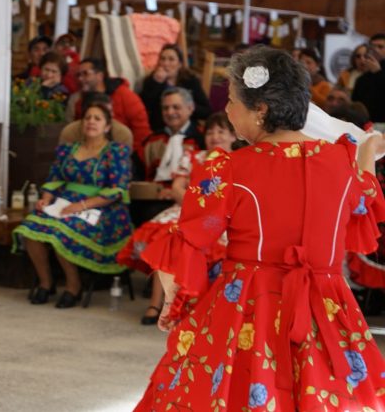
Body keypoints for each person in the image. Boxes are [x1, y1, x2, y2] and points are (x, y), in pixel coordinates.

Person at [134, 46, 385, 410]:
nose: (227, 110)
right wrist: (370, 146)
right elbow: (365, 193)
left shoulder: (231, 169)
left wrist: (174, 304)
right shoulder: (341, 163)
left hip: (248, 306)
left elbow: (187, 241)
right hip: (328, 307)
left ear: (261, 109)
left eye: (233, 101)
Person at [117, 113, 236, 325]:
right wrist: (196, 206)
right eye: (210, 131)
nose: (215, 136)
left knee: (215, 248)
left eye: (221, 131)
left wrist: (209, 209)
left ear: (233, 135)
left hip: (220, 219)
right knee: (167, 240)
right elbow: (177, 187)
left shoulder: (239, 160)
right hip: (185, 211)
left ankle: (202, 307)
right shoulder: (192, 157)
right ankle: (158, 302)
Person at [13, 103, 132, 308]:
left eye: (97, 118)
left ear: (107, 127)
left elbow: (117, 189)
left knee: (61, 231)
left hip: (102, 208)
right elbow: (54, 178)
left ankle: (73, 286)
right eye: (87, 118)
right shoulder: (68, 149)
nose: (91, 122)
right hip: (64, 202)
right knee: (30, 228)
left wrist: (82, 205)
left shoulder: (115, 151)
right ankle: (46, 283)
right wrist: (46, 199)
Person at [66, 58, 151, 156]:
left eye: (85, 74)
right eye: (78, 75)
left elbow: (142, 132)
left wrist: (129, 155)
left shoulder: (125, 96)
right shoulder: (79, 103)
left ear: (100, 76)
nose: (80, 79)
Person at [140, 44, 211, 132]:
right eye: (163, 59)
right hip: (160, 129)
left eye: (171, 59)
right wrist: (157, 83)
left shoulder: (191, 81)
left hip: (187, 129)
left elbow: (206, 111)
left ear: (179, 64)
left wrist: (186, 106)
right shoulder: (151, 80)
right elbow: (144, 108)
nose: (165, 63)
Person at [141, 87, 206, 181]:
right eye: (165, 108)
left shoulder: (203, 138)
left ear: (190, 108)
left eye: (176, 107)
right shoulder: (152, 140)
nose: (170, 112)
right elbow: (140, 174)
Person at [352, 35, 385, 122]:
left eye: (380, 47)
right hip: (366, 124)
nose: (376, 50)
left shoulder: (378, 72)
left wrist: (378, 73)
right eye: (372, 47)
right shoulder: (362, 79)